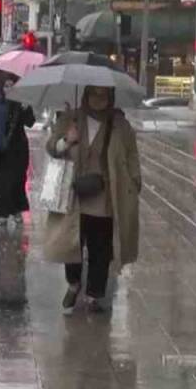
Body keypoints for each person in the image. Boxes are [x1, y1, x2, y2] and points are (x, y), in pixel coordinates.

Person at [43, 86, 141, 314]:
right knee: (71, 244)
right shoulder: (71, 118)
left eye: (103, 95)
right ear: (86, 95)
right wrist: (67, 140)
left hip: (106, 197)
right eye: (94, 94)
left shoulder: (120, 125)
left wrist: (135, 181)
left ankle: (94, 294)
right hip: (75, 195)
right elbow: (52, 147)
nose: (98, 99)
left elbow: (132, 154)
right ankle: (74, 283)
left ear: (111, 97)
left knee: (101, 249)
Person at [0, 71, 36, 219]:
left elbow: (30, 123)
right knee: (2, 183)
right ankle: (3, 213)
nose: (8, 89)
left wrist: (27, 108)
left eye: (11, 86)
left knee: (17, 182)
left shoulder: (21, 104)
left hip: (18, 150)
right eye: (6, 86)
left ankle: (16, 211)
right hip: (1, 152)